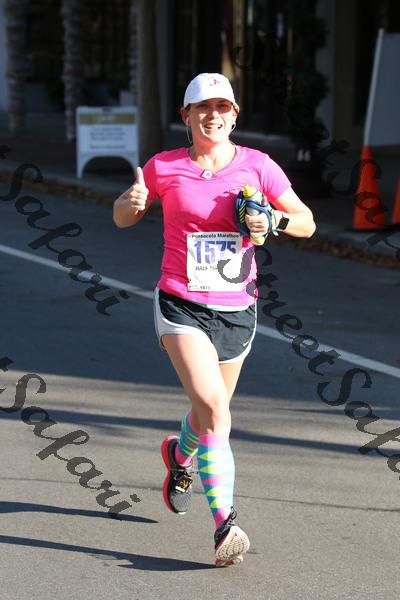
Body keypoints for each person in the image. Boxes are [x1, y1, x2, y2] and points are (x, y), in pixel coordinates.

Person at [113, 72, 316, 567]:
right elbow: (122, 216)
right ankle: (225, 523)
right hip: (180, 303)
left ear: (234, 114)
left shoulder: (258, 166)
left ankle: (178, 455)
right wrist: (129, 203)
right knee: (214, 409)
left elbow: (307, 222)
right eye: (203, 107)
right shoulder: (164, 166)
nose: (213, 115)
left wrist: (274, 219)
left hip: (238, 310)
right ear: (186, 116)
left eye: (222, 107)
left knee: (209, 412)